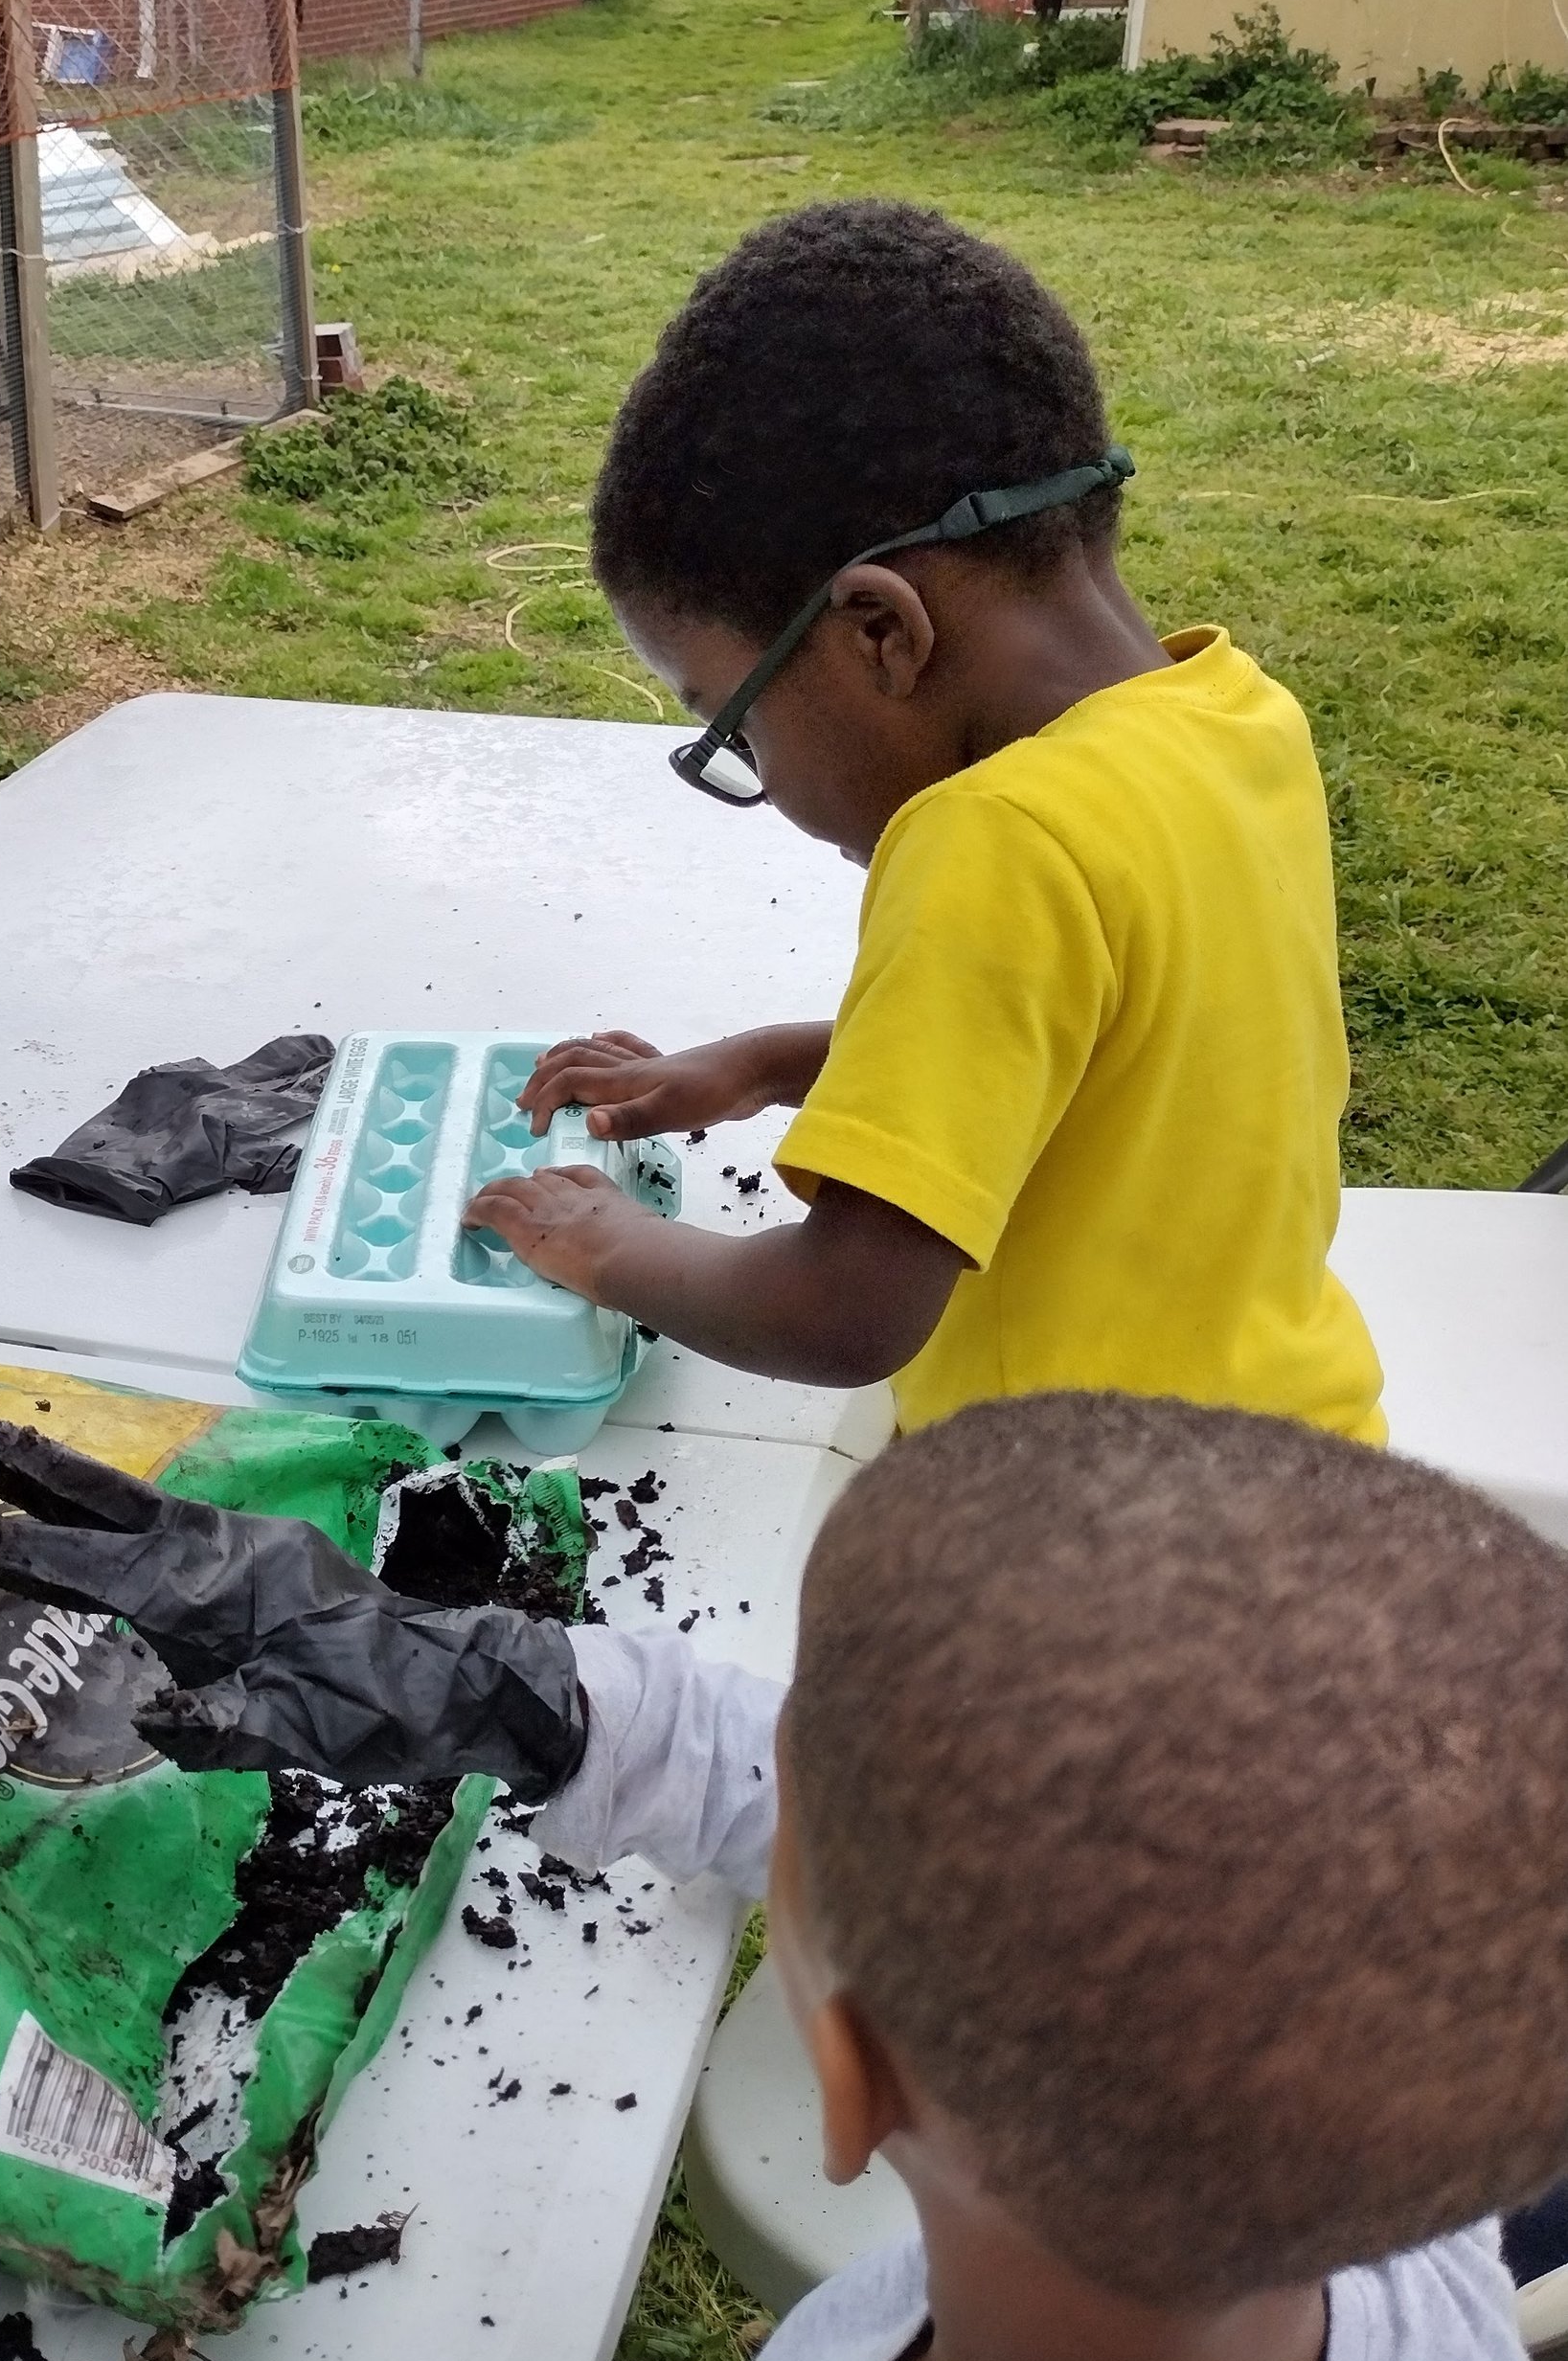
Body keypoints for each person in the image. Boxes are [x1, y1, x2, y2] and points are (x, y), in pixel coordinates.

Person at [0, 1394, 1568, 2361]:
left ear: (845, 2077)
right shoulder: (1412, 2265)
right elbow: (888, 1817)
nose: (783, 1770)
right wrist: (494, 1685)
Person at [461, 198, 1384, 1444]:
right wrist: (769, 1064)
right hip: (1292, 1456)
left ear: (882, 631)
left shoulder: (994, 837)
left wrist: (614, 1244)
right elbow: (1107, 1061)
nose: (760, 778)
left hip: (1077, 1549)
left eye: (734, 724)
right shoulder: (1235, 721)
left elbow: (843, 1309)